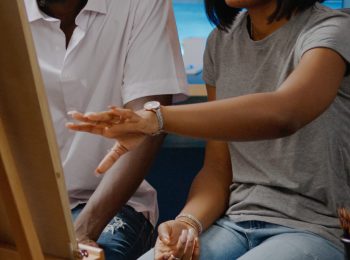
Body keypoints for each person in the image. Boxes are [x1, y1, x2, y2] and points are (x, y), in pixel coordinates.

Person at [67, 0, 350, 259]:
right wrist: (186, 223)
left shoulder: (331, 29)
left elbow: (284, 113)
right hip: (234, 223)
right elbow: (218, 169)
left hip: (312, 228)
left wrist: (155, 119)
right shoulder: (221, 41)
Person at [24, 0, 188, 259]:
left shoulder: (141, 4)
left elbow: (146, 125)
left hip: (109, 206)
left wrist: (82, 232)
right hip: (21, 205)